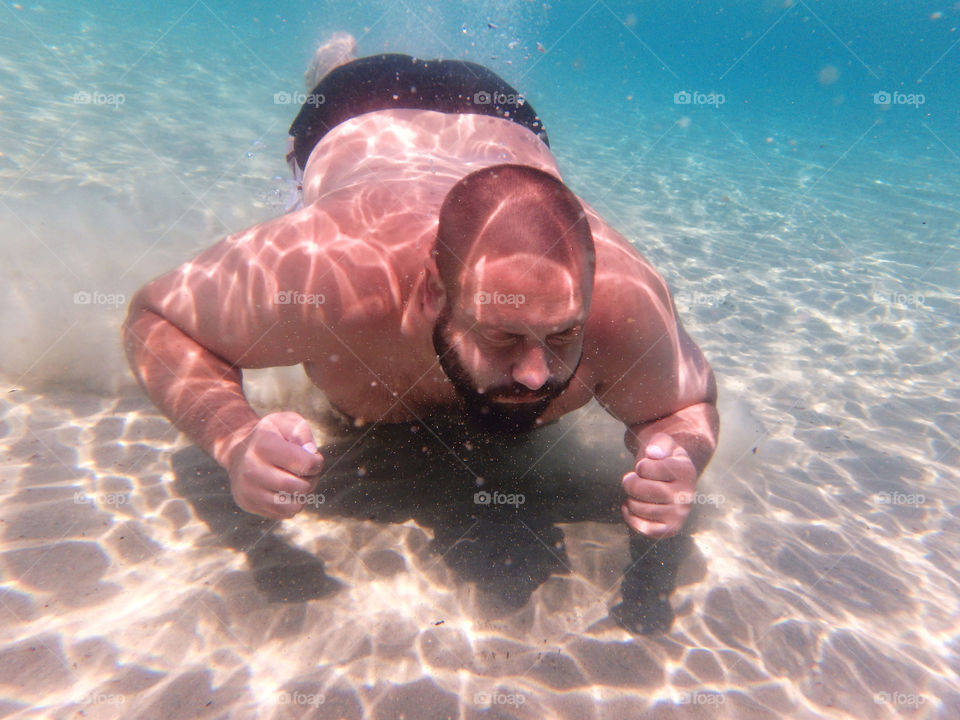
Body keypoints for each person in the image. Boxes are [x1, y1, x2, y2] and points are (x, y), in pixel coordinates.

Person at [122, 34, 719, 539]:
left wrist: (677, 459)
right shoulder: (333, 273)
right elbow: (155, 319)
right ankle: (331, 65)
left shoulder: (620, 303)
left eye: (564, 333)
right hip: (354, 108)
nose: (537, 374)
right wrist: (232, 437)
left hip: (502, 116)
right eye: (503, 335)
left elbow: (687, 407)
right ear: (433, 289)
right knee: (318, 122)